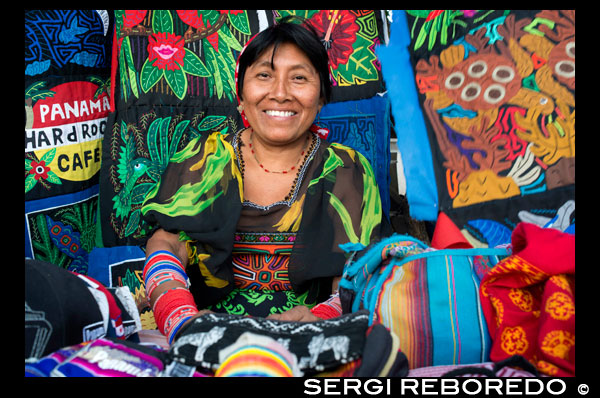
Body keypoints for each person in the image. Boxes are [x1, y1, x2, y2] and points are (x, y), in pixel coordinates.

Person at [141, 18, 391, 345]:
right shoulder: (205, 158)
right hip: (208, 333)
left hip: (311, 338)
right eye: (264, 75)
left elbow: (358, 269)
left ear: (321, 97)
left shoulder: (344, 168)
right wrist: (178, 315)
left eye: (299, 78)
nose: (280, 93)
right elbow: (168, 240)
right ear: (240, 93)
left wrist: (321, 319)